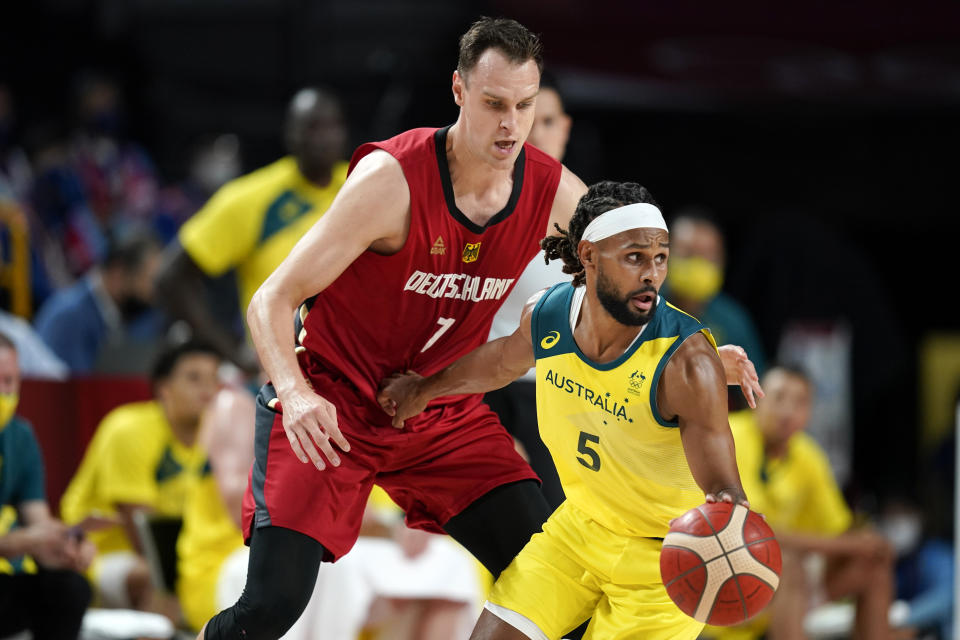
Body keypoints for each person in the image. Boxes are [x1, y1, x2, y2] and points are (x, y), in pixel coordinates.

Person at [200, 18, 759, 640]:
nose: (510, 125)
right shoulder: (392, 181)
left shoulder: (548, 188)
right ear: (459, 91)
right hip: (332, 403)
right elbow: (270, 299)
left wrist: (693, 344)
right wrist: (297, 394)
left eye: (524, 106)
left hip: (438, 407)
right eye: (494, 104)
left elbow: (620, 267)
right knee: (272, 606)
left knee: (552, 582)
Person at [379, 180, 752, 640]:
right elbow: (498, 363)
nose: (652, 274)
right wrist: (423, 390)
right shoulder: (549, 314)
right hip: (577, 532)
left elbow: (723, 486)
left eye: (660, 258)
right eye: (634, 257)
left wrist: (731, 530)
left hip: (661, 563)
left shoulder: (688, 363)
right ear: (589, 255)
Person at [155, 87, 349, 374]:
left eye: (331, 126)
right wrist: (233, 353)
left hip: (359, 372)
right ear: (290, 134)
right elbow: (170, 277)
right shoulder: (252, 198)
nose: (322, 139)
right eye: (311, 128)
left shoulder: (362, 183)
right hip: (282, 375)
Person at [714, 364, 895, 640]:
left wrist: (866, 543)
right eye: (779, 397)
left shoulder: (808, 454)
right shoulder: (730, 435)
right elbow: (750, 531)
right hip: (720, 578)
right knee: (787, 565)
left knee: (872, 564)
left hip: (783, 588)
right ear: (755, 398)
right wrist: (850, 543)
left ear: (810, 413)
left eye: (800, 402)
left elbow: (838, 528)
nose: (787, 411)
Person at [60, 340, 219, 615]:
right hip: (96, 554)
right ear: (164, 390)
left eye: (215, 378)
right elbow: (144, 536)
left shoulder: (214, 437)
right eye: (194, 378)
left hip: (176, 552)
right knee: (154, 577)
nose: (208, 390)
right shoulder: (129, 429)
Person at [484, 72, 572, 509]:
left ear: (566, 128)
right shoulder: (476, 203)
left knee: (552, 522)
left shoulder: (585, 216)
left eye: (549, 121)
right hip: (478, 386)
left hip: (555, 392)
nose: (538, 132)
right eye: (530, 118)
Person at [0, 331, 94, 640]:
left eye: (9, 381)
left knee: (69, 589)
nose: (4, 392)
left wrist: (63, 546)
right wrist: (17, 542)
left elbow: (37, 520)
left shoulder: (21, 436)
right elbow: (24, 538)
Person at [34, 230, 164, 373]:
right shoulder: (70, 317)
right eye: (149, 280)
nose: (152, 293)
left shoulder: (121, 313)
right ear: (117, 274)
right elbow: (71, 386)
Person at [665, 211, 766, 378]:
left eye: (707, 256)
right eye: (688, 254)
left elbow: (755, 387)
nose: (698, 264)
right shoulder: (637, 310)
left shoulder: (733, 322)